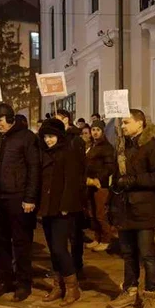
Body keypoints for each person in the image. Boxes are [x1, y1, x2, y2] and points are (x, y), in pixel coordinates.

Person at [108, 109, 155, 308]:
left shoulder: (152, 146)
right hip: (124, 208)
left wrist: (134, 181)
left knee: (147, 255)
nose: (123, 126)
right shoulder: (123, 147)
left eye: (127, 122)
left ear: (140, 123)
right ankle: (130, 290)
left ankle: (151, 295)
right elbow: (117, 177)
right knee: (128, 254)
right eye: (122, 123)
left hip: (144, 209)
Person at [0, 103, 39, 302]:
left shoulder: (26, 138)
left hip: (17, 196)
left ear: (9, 118)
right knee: (0, 242)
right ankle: (4, 280)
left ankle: (24, 283)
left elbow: (34, 169)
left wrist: (30, 198)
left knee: (21, 242)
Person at [38, 119, 84, 306]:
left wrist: (66, 205)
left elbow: (72, 182)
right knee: (53, 249)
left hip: (62, 208)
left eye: (51, 136)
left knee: (59, 248)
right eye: (46, 136)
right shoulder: (44, 153)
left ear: (59, 136)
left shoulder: (68, 152)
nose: (48, 140)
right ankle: (59, 285)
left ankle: (73, 287)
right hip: (48, 207)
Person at [54, 109, 87, 276]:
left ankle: (76, 264)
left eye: (57, 118)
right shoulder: (58, 138)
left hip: (75, 192)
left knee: (75, 232)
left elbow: (79, 167)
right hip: (60, 191)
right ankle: (63, 267)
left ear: (66, 119)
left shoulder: (75, 139)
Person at [84, 120, 116, 252]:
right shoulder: (92, 145)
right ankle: (97, 237)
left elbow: (109, 167)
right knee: (92, 213)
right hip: (89, 183)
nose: (95, 132)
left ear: (102, 131)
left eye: (98, 130)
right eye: (93, 129)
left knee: (100, 213)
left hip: (100, 185)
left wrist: (98, 178)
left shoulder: (106, 147)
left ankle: (106, 239)